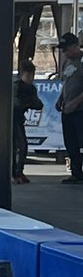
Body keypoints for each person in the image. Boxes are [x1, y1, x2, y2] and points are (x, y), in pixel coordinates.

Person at [56, 32, 83, 184]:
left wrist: (76, 102)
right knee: (70, 142)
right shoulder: (67, 63)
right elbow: (66, 83)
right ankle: (76, 173)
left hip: (80, 110)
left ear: (74, 46)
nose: (64, 53)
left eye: (66, 49)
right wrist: (61, 98)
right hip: (67, 109)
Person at [12, 60, 42, 185]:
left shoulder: (31, 88)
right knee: (16, 146)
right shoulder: (16, 86)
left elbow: (38, 104)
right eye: (28, 75)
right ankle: (14, 173)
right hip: (11, 119)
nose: (31, 78)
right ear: (22, 74)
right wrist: (28, 103)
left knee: (22, 146)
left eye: (32, 75)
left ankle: (19, 171)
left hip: (19, 119)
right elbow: (15, 103)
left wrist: (29, 103)